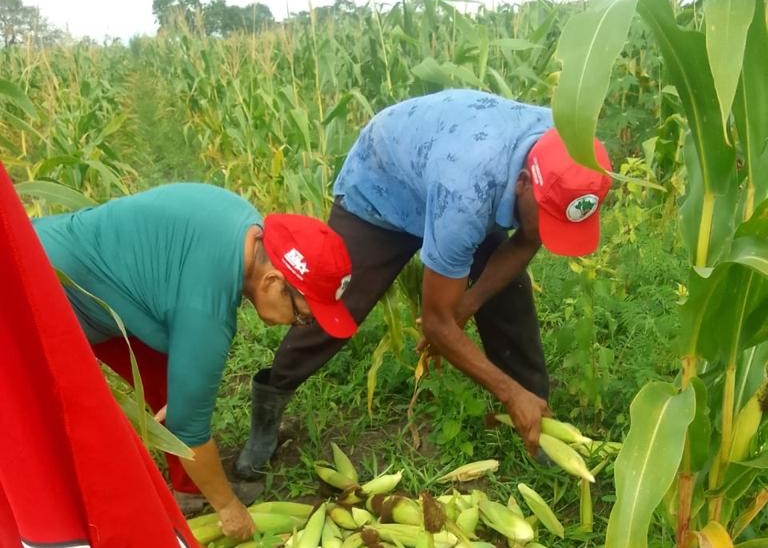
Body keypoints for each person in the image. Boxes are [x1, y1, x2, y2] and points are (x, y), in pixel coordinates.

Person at [235, 90, 612, 479]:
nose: (547, 233)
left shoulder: (568, 150)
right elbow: (435, 322)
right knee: (332, 304)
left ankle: (536, 415)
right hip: (384, 188)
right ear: (522, 183)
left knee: (509, 297)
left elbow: (530, 237)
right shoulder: (467, 195)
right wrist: (504, 389)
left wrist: (467, 304)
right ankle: (268, 409)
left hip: (450, 173)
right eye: (546, 218)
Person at [34, 184, 357, 540]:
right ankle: (70, 535)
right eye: (303, 317)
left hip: (56, 251)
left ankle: (187, 491)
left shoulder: (245, 228)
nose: (297, 325)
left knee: (176, 378)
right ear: (272, 281)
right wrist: (228, 507)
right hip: (34, 295)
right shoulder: (205, 311)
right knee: (52, 432)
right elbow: (189, 430)